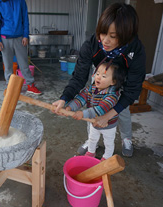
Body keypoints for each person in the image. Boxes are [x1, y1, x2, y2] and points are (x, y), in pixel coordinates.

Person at [52, 3, 146, 157]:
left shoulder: (136, 51)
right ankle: (92, 141)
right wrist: (65, 100)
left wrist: (108, 116)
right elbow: (79, 77)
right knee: (93, 105)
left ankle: (126, 138)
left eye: (113, 36)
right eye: (103, 33)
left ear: (126, 35)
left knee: (122, 111)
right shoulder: (91, 44)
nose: (105, 40)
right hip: (102, 75)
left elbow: (132, 90)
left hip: (120, 81)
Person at [65, 63, 125, 161]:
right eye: (97, 74)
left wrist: (83, 114)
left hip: (108, 125)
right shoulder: (91, 88)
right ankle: (91, 152)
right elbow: (81, 98)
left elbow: (100, 109)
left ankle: (107, 157)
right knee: (92, 138)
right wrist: (70, 108)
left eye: (104, 76)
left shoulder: (112, 95)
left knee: (108, 142)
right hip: (94, 121)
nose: (99, 77)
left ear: (113, 81)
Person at [0, 0, 42, 95]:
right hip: (4, 39)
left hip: (20, 38)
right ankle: (10, 86)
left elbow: (25, 19)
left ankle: (30, 86)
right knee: (8, 66)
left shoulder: (20, 1)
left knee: (24, 64)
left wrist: (25, 36)